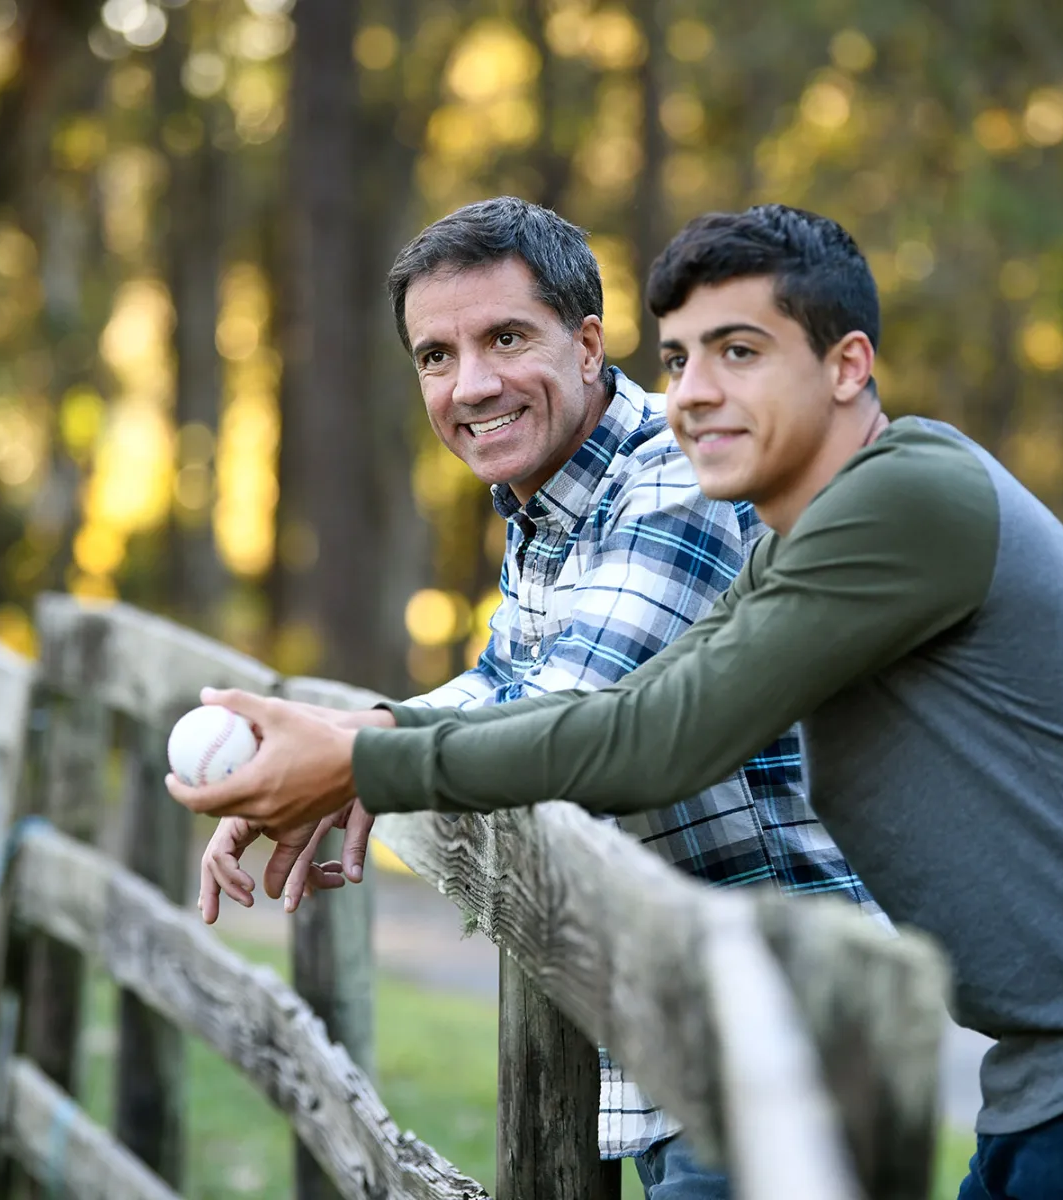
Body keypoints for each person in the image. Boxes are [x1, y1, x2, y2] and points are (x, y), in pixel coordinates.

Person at [170, 203, 1063, 1199]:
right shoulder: (800, 539)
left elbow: (650, 738)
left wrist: (360, 760)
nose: (696, 392)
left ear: (847, 366)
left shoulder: (907, 499)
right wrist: (352, 742)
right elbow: (644, 696)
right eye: (682, 357)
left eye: (740, 352)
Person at [193, 196, 880, 1196]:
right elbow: (500, 686)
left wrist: (353, 760)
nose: (470, 384)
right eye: (436, 356)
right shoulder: (552, 504)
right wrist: (315, 754)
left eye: (505, 338)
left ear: (588, 345)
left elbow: (569, 708)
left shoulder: (675, 478)